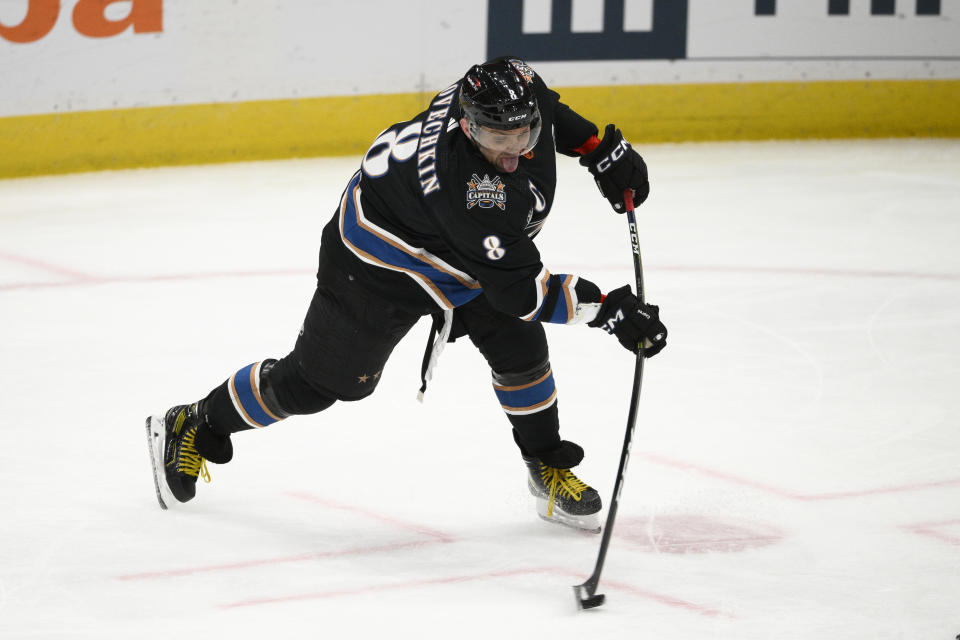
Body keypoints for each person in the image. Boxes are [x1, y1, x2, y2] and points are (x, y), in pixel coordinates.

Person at [146, 57, 667, 533]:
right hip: (376, 268)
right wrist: (611, 312)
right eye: (495, 138)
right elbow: (525, 294)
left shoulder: (509, 93)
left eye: (522, 135)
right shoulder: (467, 191)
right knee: (317, 385)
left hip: (455, 251)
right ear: (466, 125)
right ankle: (196, 420)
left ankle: (547, 467)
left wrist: (597, 151)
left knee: (521, 352)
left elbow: (548, 109)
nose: (513, 152)